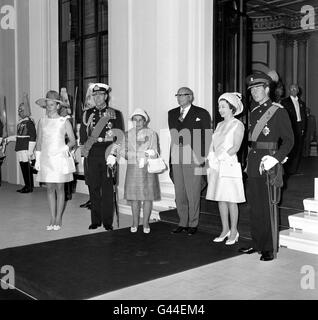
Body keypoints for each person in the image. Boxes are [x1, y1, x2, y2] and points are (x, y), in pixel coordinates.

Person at [239, 71, 294, 261]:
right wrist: (247, 163)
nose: (254, 92)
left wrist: (277, 158)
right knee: (254, 207)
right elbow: (252, 142)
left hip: (269, 162)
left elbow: (289, 141)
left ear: (267, 89)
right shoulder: (253, 112)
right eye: (252, 89)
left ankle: (269, 247)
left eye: (258, 88)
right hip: (254, 164)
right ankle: (257, 244)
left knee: (268, 206)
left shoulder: (278, 111)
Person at [107, 108, 161, 234]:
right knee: (134, 198)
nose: (138, 122)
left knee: (148, 198)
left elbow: (155, 151)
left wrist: (149, 154)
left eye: (140, 120)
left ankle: (146, 223)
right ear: (132, 121)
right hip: (133, 169)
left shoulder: (152, 134)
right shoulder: (127, 134)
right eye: (135, 120)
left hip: (147, 169)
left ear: (145, 121)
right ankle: (135, 222)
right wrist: (134, 155)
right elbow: (120, 150)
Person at [80, 83, 124, 231]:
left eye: (100, 95)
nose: (97, 97)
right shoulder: (87, 113)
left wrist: (114, 153)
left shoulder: (115, 113)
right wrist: (83, 153)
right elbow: (83, 136)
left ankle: (107, 222)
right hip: (92, 153)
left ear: (106, 96)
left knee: (107, 189)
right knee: (93, 187)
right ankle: (95, 220)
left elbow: (119, 136)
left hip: (108, 152)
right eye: (95, 95)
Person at [168, 87, 212, 236]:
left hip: (193, 153)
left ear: (191, 97)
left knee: (192, 191)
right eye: (177, 95)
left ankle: (193, 223)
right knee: (179, 190)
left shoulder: (201, 113)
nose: (179, 97)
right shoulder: (172, 113)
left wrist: (202, 157)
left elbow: (207, 136)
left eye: (183, 95)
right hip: (176, 153)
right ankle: (182, 222)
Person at [206, 92, 245, 245]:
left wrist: (219, 157)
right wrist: (210, 157)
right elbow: (213, 144)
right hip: (216, 165)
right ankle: (225, 229)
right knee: (220, 198)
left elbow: (235, 147)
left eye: (223, 106)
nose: (220, 109)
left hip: (228, 163)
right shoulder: (219, 125)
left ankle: (234, 231)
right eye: (219, 106)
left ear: (232, 108)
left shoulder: (237, 124)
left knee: (231, 199)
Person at [35, 90, 76, 231]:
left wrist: (64, 148)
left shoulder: (64, 121)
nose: (49, 107)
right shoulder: (42, 121)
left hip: (59, 159)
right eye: (47, 105)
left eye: (52, 105)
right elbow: (39, 141)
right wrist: (37, 158)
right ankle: (52, 217)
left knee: (60, 188)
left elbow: (72, 141)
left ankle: (58, 218)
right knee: (50, 189)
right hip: (46, 159)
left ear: (58, 106)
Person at [6, 93, 36, 193]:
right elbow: (19, 137)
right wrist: (8, 139)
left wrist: (30, 151)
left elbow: (32, 137)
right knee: (23, 167)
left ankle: (29, 187)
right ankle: (27, 185)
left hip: (26, 148)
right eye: (19, 109)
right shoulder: (20, 123)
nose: (19, 111)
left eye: (21, 109)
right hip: (20, 147)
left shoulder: (29, 122)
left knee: (26, 168)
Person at [281, 84, 307, 175]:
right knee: (290, 147)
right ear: (289, 90)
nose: (293, 90)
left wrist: (303, 128)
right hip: (290, 126)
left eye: (295, 88)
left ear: (298, 91)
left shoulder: (301, 103)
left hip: (299, 126)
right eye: (292, 88)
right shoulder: (284, 102)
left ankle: (294, 170)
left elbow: (303, 117)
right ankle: (288, 170)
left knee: (298, 148)